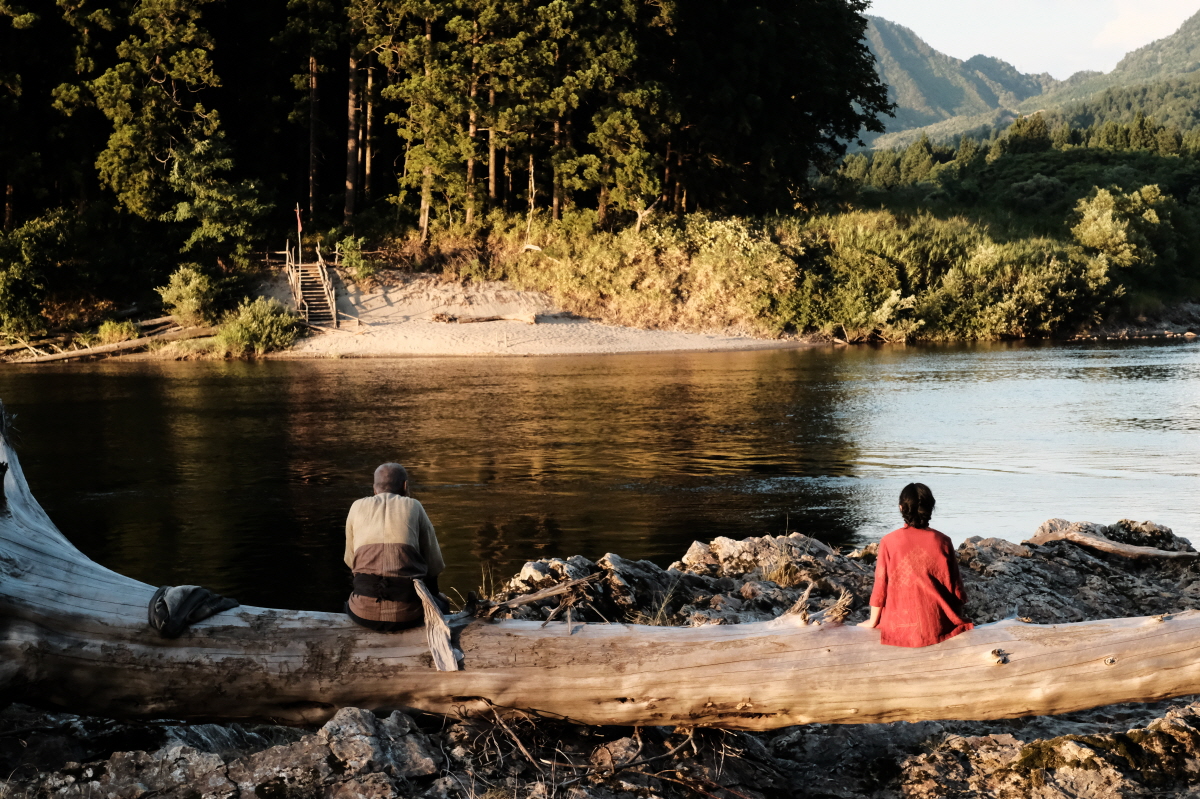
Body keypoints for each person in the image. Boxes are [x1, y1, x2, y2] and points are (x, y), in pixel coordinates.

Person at [858, 483, 973, 647]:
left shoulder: (889, 542)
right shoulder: (943, 541)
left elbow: (880, 587)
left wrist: (872, 622)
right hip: (938, 626)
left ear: (901, 508)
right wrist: (955, 619)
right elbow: (956, 590)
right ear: (931, 508)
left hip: (899, 626)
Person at [344, 462, 448, 632]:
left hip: (362, 613)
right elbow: (433, 564)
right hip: (409, 614)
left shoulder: (356, 507)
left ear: (374, 488)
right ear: (405, 486)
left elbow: (350, 561)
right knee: (442, 604)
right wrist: (435, 596)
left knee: (350, 603)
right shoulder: (414, 506)